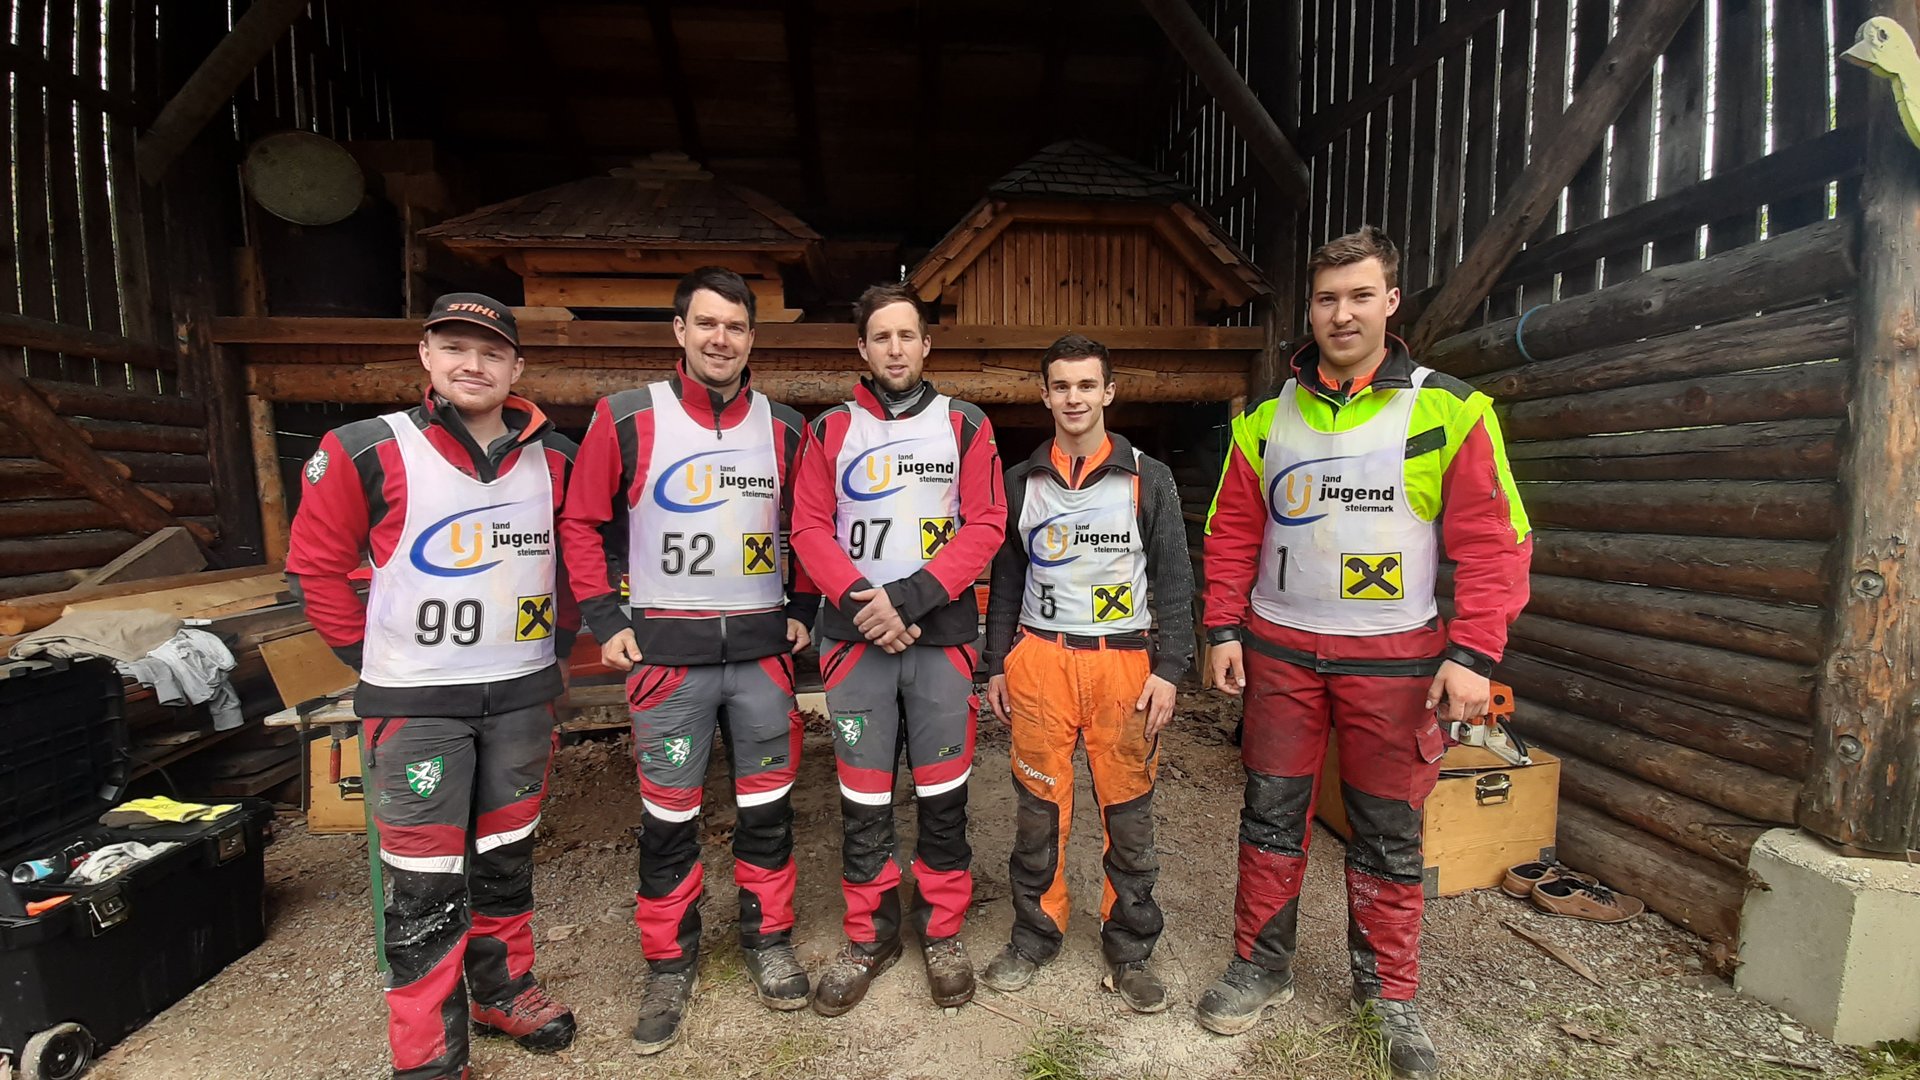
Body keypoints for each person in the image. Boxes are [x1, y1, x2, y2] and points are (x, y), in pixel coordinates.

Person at [1196, 226, 1532, 1079]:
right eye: (1326, 299)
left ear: (1391, 302)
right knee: (1271, 815)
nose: (1341, 315)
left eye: (1358, 296)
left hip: (1396, 661)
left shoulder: (1450, 410)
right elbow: (1231, 531)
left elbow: (1495, 541)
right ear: (1309, 310)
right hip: (1280, 653)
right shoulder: (1265, 419)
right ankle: (1259, 966)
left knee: (1387, 831)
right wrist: (1223, 628)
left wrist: (1474, 654)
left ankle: (1387, 996)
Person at [287, 293, 578, 1080]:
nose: (472, 365)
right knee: (424, 884)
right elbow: (315, 569)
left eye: (491, 352)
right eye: (454, 347)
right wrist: (376, 659)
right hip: (415, 707)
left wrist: (557, 650)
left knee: (506, 856)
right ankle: (427, 1059)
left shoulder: (556, 458)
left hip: (520, 698)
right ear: (426, 355)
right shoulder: (365, 449)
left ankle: (502, 991)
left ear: (517, 366)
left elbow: (576, 563)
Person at [557, 267, 818, 1054]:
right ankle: (669, 963)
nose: (720, 339)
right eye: (706, 323)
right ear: (679, 331)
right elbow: (580, 521)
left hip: (762, 657)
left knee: (768, 808)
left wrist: (804, 607)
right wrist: (605, 617)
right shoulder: (627, 416)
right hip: (668, 658)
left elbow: (811, 525)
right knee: (669, 818)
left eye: (734, 326)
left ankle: (769, 941)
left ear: (752, 339)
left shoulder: (786, 428)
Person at [788, 283, 1007, 1016]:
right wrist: (865, 604)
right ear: (862, 348)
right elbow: (808, 527)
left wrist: (907, 600)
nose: (895, 348)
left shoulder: (965, 424)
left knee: (944, 794)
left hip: (938, 635)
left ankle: (942, 931)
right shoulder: (831, 428)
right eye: (881, 337)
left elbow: (986, 523)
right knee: (863, 794)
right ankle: (870, 935)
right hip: (856, 639)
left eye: (906, 335)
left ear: (926, 344)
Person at [977, 334, 1193, 1013]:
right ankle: (1034, 935)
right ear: (1044, 395)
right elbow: (1006, 580)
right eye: (1061, 386)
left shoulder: (1148, 477)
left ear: (1109, 392)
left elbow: (1175, 579)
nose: (1074, 398)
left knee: (1128, 813)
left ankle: (1129, 946)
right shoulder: (1021, 481)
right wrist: (996, 663)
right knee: (1038, 810)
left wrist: (1171, 668)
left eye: (1086, 385)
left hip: (1122, 662)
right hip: (1040, 657)